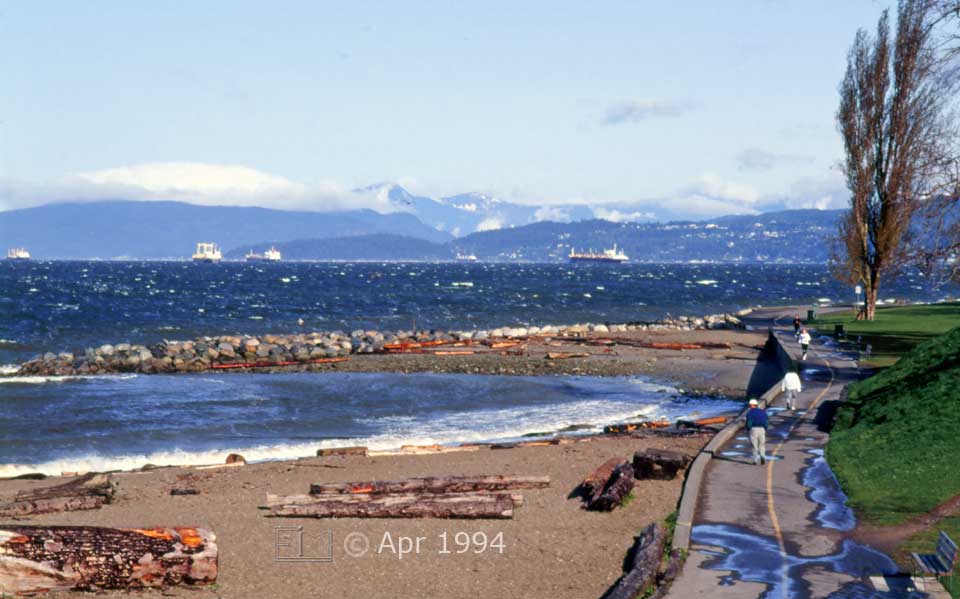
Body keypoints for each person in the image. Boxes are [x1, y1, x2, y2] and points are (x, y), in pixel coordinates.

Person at [746, 399, 768, 465]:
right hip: (762, 429)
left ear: (751, 405)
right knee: (761, 445)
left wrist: (748, 428)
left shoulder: (750, 413)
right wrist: (765, 428)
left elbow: (749, 422)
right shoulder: (763, 412)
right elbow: (766, 422)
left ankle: (755, 460)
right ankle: (763, 456)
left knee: (754, 445)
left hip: (754, 429)